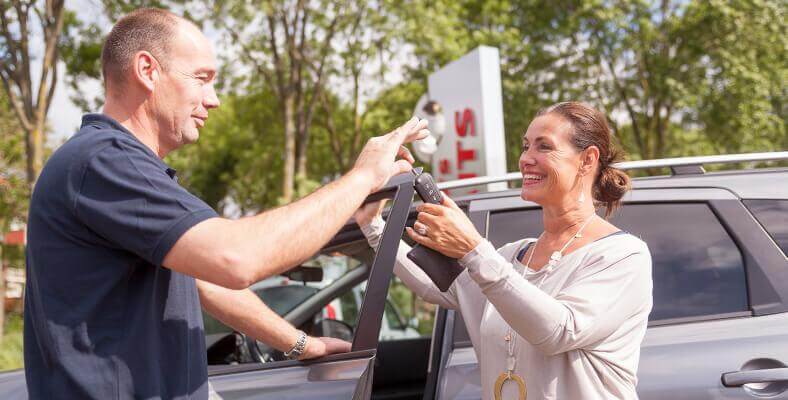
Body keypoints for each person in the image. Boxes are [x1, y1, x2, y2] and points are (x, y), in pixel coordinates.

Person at [23, 8, 428, 400]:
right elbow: (236, 260)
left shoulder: (125, 167)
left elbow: (203, 279)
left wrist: (300, 344)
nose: (213, 99)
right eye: (202, 79)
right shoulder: (103, 161)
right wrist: (361, 179)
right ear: (148, 71)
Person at [356, 101, 653, 399]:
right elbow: (436, 288)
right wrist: (372, 226)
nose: (526, 158)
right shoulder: (514, 256)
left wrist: (473, 250)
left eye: (544, 147)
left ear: (587, 160)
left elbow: (560, 331)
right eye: (526, 147)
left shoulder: (623, 256)